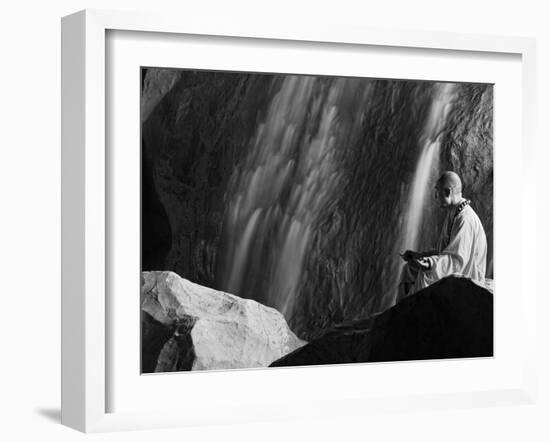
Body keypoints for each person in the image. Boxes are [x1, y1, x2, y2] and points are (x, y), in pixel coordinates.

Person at [397, 171, 488, 302]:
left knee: (425, 276)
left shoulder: (465, 219)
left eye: (437, 191)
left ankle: (411, 317)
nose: (435, 197)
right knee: (409, 269)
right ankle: (399, 313)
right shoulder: (454, 213)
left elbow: (457, 262)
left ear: (447, 192)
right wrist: (419, 256)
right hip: (454, 268)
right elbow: (444, 252)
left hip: (468, 278)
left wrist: (430, 263)